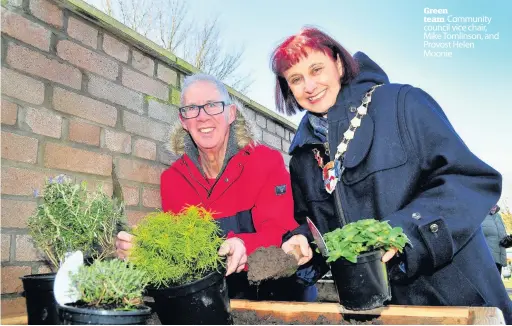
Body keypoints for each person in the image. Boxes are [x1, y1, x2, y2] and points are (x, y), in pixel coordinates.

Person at [270, 26, 512, 323]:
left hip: (456, 302)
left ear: (339, 64)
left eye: (316, 68)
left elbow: (469, 180)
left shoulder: (401, 103)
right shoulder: (303, 158)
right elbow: (324, 230)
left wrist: (402, 232)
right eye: (296, 79)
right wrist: (305, 242)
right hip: (378, 314)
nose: (309, 85)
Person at [115, 73, 315, 301]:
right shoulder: (173, 179)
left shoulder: (265, 161)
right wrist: (145, 252)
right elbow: (179, 254)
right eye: (191, 109)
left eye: (212, 105)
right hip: (212, 302)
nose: (202, 117)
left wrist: (242, 245)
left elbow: (280, 232)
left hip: (275, 295)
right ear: (183, 121)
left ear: (230, 114)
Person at [483, 204, 508, 274]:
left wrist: (508, 240)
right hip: (486, 260)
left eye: (495, 205)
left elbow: (502, 236)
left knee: (497, 284)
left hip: (499, 260)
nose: (494, 207)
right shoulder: (480, 216)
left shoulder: (498, 216)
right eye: (491, 205)